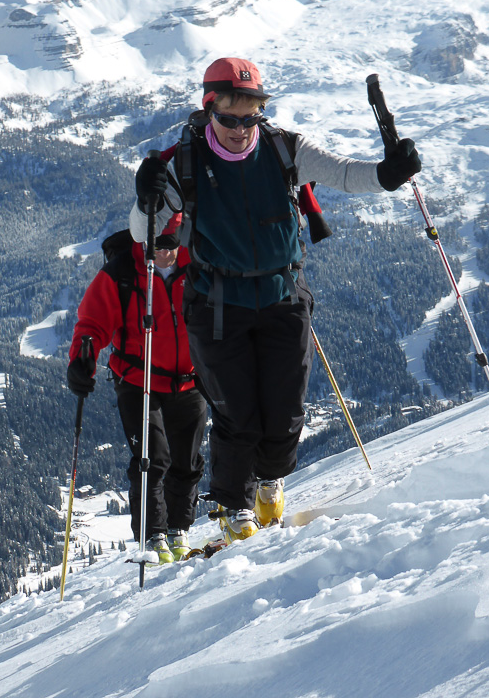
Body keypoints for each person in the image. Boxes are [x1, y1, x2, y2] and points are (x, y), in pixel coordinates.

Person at [129, 57, 421, 544]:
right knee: (236, 413)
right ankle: (233, 506)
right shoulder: (184, 163)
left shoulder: (285, 147)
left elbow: (345, 174)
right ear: (210, 109)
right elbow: (144, 233)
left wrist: (389, 174)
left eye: (251, 117)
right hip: (218, 306)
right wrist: (146, 197)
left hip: (282, 297)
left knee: (285, 412)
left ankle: (270, 479)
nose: (240, 129)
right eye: (229, 118)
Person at [67, 215, 207, 563]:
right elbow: (92, 322)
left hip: (189, 378)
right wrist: (81, 360)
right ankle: (153, 535)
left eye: (171, 246)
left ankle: (178, 529)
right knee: (151, 459)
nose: (165, 254)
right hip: (137, 379)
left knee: (187, 460)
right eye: (157, 247)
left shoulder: (198, 261)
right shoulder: (122, 272)